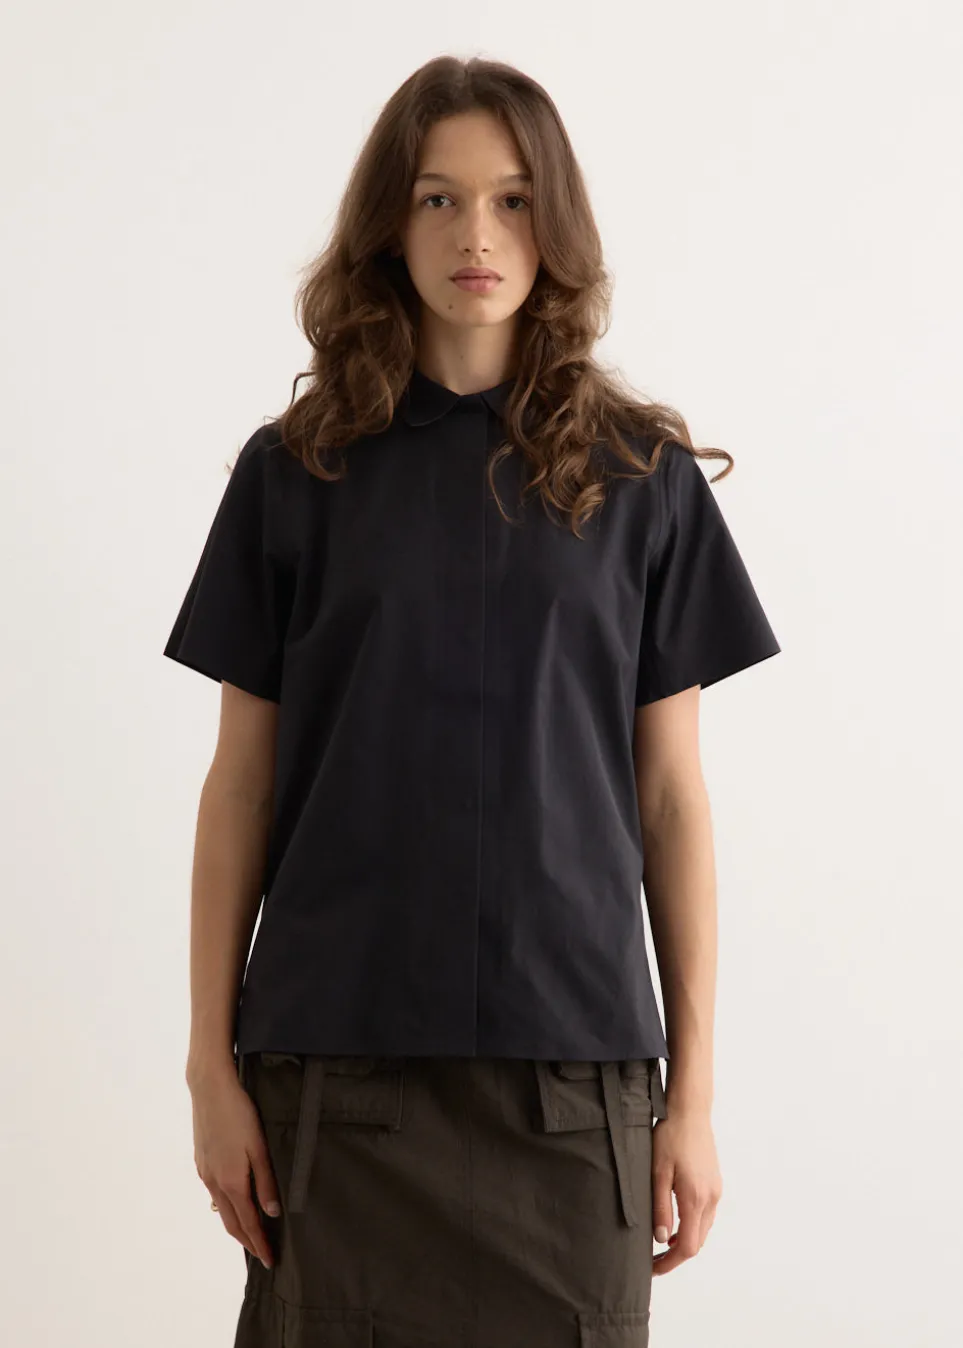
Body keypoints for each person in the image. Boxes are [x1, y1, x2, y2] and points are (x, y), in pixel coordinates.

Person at [163, 55, 781, 1348]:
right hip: (337, 1083)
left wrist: (694, 1096)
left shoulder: (642, 481)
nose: (476, 236)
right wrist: (209, 1069)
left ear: (555, 222)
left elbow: (671, 798)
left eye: (511, 199)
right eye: (437, 199)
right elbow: (240, 786)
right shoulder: (296, 476)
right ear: (389, 224)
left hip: (573, 1091)